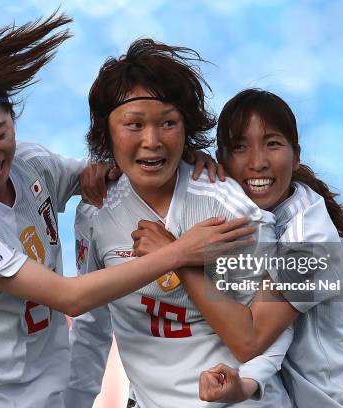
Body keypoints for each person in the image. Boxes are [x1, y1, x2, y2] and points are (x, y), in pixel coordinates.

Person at [0, 14, 252, 408]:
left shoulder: (31, 166)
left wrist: (180, 152)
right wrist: (177, 253)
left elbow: (111, 170)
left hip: (43, 390)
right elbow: (75, 302)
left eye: (0, 134)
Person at [64, 40, 293, 408]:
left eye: (167, 123)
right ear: (107, 133)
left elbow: (270, 331)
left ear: (186, 127)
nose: (151, 142)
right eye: (134, 125)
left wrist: (247, 384)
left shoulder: (232, 212)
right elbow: (92, 328)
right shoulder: (95, 213)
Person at [133, 89, 343, 407]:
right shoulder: (248, 215)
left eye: (272, 144)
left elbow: (254, 336)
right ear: (221, 159)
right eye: (240, 147)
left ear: (297, 153)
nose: (257, 162)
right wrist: (100, 172)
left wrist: (175, 256)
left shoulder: (312, 243)